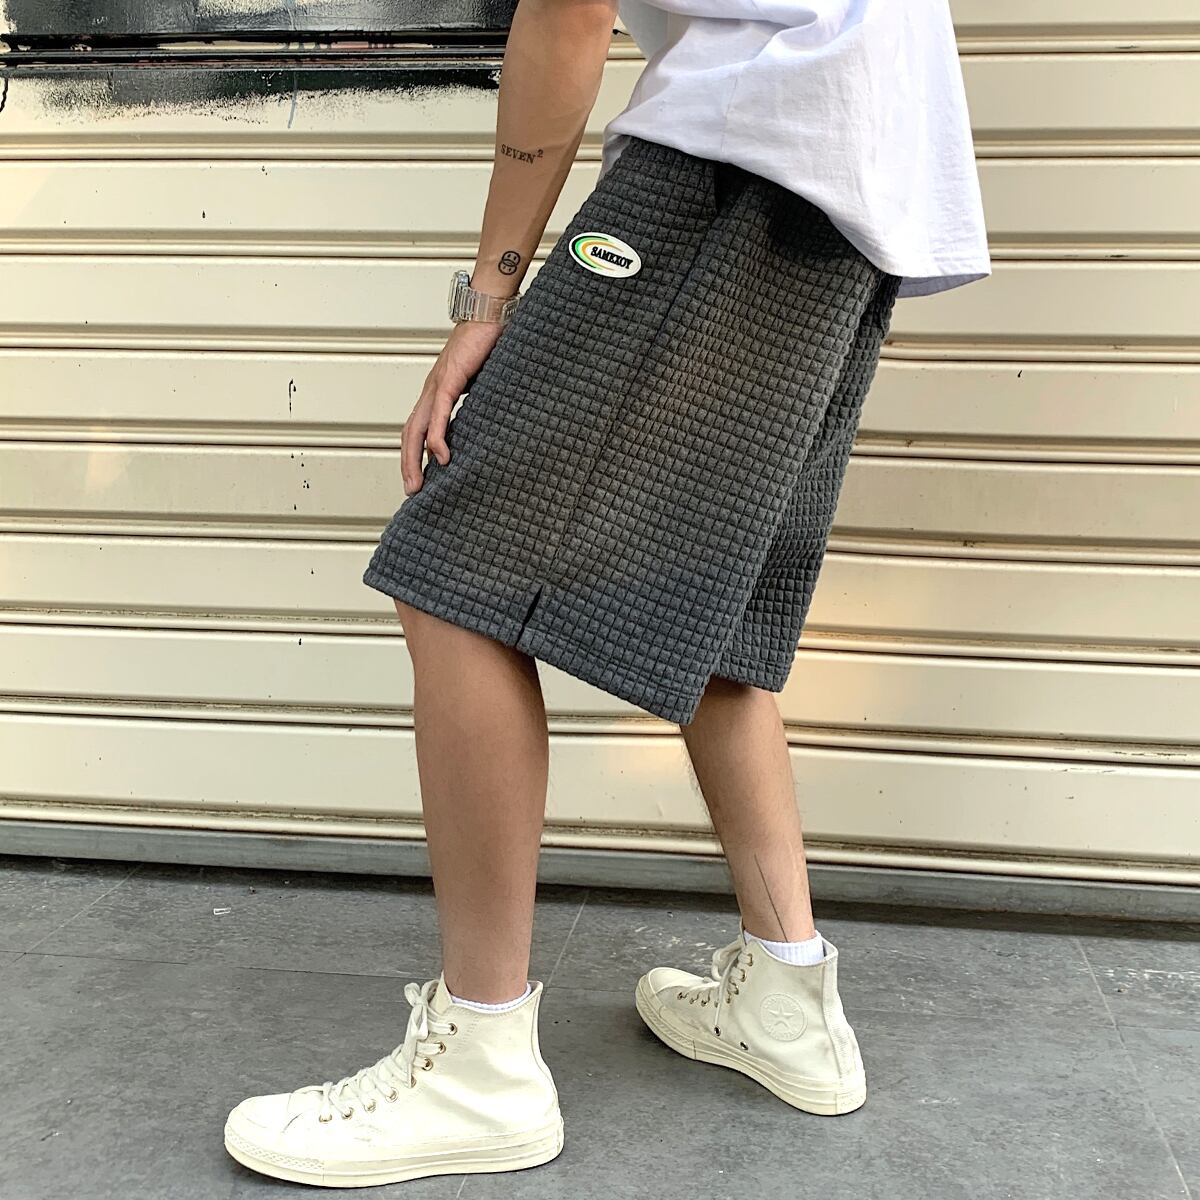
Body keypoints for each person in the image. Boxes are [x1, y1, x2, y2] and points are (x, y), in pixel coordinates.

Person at [224, 0, 990, 1187]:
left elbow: (567, 14)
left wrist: (486, 302)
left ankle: (479, 1069)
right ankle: (787, 999)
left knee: (455, 575)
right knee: (721, 612)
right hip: (854, 181)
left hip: (737, 163)